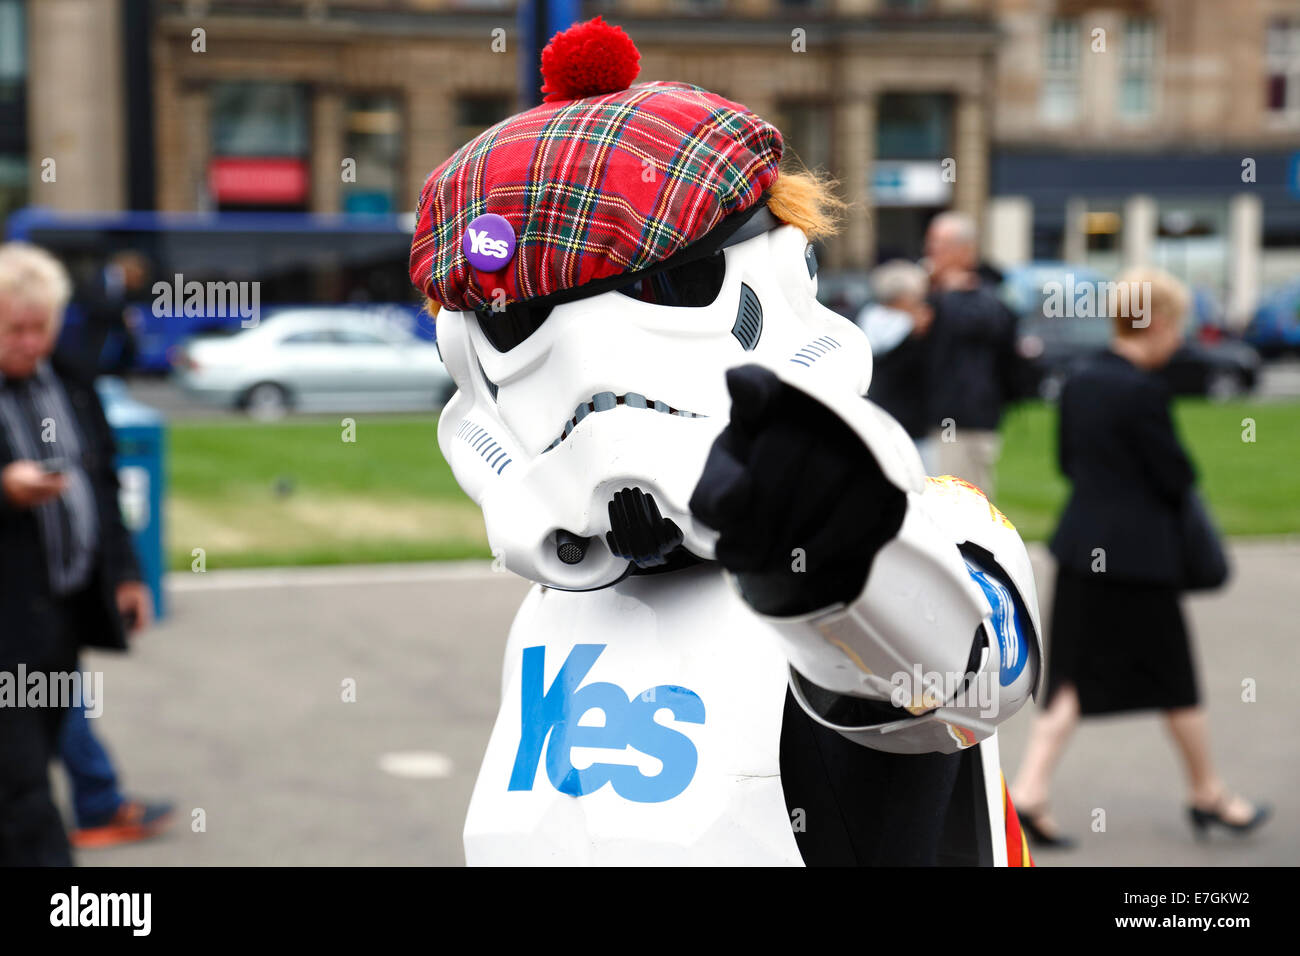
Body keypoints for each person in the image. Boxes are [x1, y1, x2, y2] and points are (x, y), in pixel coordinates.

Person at [411, 16, 1042, 866]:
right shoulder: (558, 608)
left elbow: (959, 677)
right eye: (521, 319)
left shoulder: (927, 528)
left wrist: (844, 563)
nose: (599, 379)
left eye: (668, 284)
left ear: (782, 277)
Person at [1009, 267, 1270, 848]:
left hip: (1081, 548)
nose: (1180, 338)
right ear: (1160, 323)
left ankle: (1028, 793)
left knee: (1073, 675)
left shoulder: (1080, 380)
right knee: (1173, 678)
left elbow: (1069, 464)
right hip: (1138, 560)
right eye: (1178, 324)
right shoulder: (1144, 390)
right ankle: (1208, 795)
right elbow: (1175, 476)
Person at [0, 241, 154, 865]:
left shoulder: (68, 376)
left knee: (39, 755)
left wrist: (124, 573)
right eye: (16, 330)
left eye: (42, 328)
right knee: (24, 788)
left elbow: (104, 478)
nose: (32, 342)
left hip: (58, 617)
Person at [922, 211, 1021, 499]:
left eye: (939, 245)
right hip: (925, 418)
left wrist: (951, 295)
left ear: (965, 251)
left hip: (965, 421)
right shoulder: (932, 292)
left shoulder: (987, 295)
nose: (931, 252)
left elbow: (986, 328)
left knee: (965, 508)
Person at [857, 260, 936, 471]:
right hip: (909, 426)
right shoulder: (909, 330)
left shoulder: (867, 320)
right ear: (902, 299)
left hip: (879, 417)